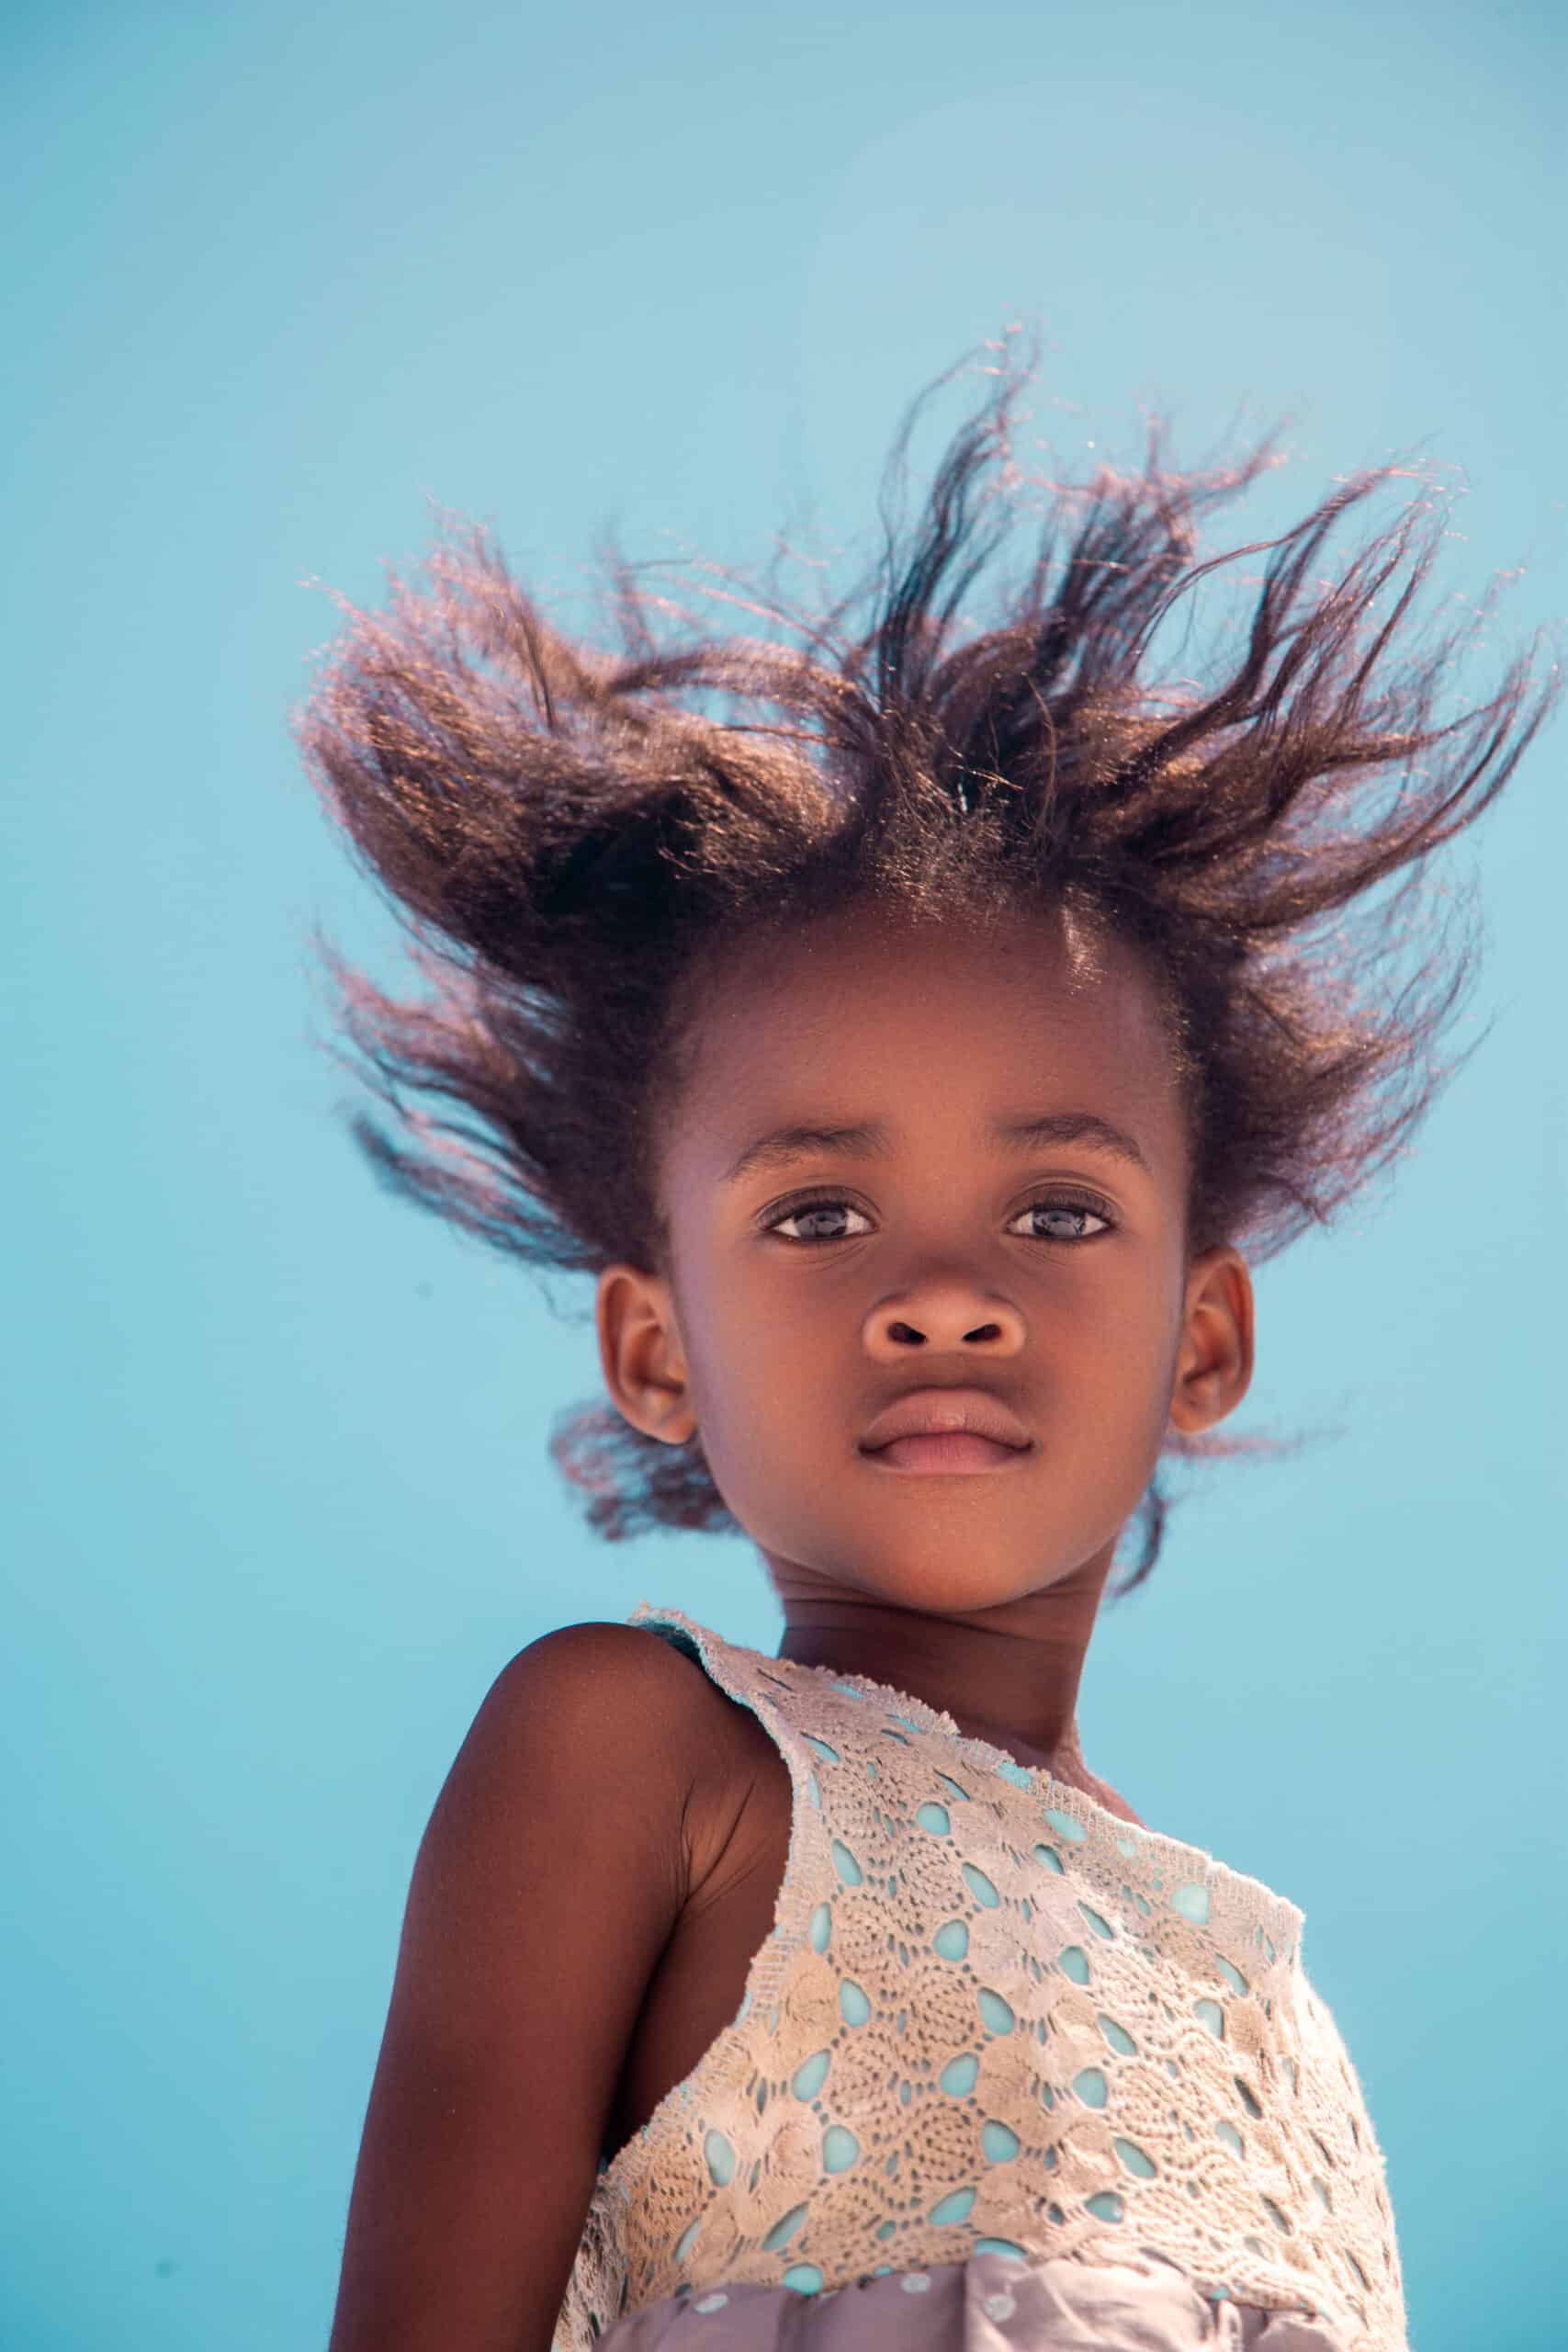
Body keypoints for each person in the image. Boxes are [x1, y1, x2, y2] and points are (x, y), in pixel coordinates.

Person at [295, 341, 1555, 2352]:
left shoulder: (1281, 2015)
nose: (944, 1292)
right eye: (814, 1212)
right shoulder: (641, 1754)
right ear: (654, 1347)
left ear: (1201, 1335)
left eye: (1055, 1212)